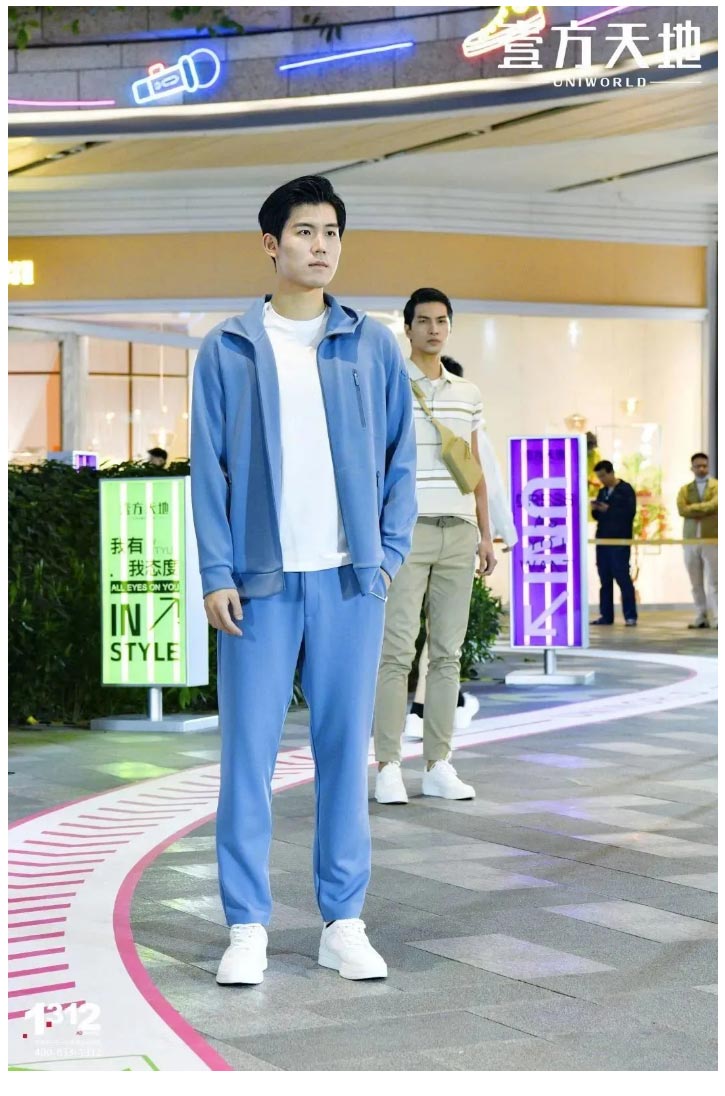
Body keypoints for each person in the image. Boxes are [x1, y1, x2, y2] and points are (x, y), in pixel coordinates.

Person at [190, 175, 417, 986]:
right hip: (259, 585)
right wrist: (215, 570)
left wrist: (386, 555)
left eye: (331, 233)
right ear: (270, 244)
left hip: (349, 583)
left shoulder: (370, 345)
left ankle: (342, 921)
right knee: (246, 757)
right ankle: (245, 926)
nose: (320, 246)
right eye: (304, 232)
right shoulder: (228, 347)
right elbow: (208, 468)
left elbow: (400, 455)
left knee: (343, 754)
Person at [373, 289, 497, 806]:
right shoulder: (390, 383)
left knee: (447, 653)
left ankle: (438, 764)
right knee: (396, 651)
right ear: (407, 328)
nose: (433, 329)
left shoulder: (467, 392)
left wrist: (485, 533)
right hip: (407, 531)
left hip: (459, 529)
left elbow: (474, 466)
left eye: (441, 321)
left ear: (450, 327)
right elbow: (375, 461)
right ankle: (388, 765)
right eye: (423, 321)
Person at [404, 354, 517, 742]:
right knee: (440, 630)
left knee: (428, 629)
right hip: (451, 531)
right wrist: (502, 535)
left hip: (419, 530)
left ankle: (436, 705)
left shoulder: (413, 416)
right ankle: (423, 709)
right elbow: (488, 483)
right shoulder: (469, 429)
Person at [591, 459, 638, 626]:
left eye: (603, 475)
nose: (602, 479)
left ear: (611, 472)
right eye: (599, 477)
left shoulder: (625, 490)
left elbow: (629, 513)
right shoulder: (602, 491)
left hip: (619, 540)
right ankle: (606, 615)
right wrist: (596, 509)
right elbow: (598, 517)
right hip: (603, 540)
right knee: (605, 580)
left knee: (622, 577)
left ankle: (630, 615)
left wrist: (609, 509)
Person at [677, 452, 718, 629]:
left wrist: (693, 509)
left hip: (712, 538)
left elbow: (716, 504)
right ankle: (701, 615)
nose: (701, 469)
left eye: (704, 465)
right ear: (692, 468)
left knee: (714, 581)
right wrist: (704, 509)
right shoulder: (685, 489)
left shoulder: (717, 486)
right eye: (698, 466)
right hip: (691, 539)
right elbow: (681, 509)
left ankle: (718, 617)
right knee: (695, 581)